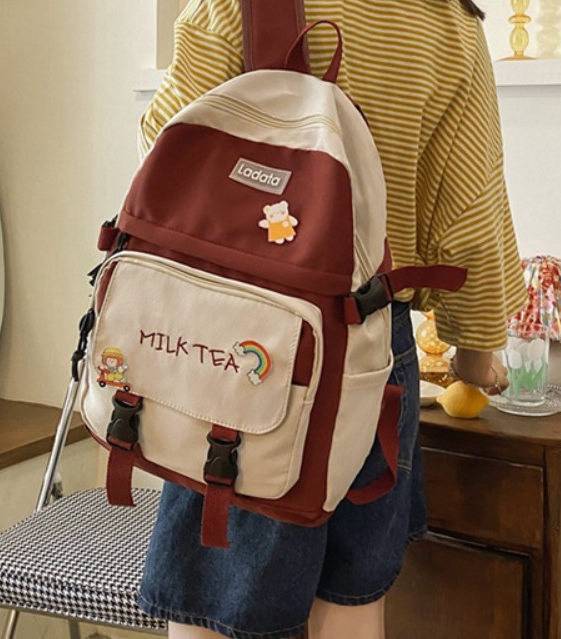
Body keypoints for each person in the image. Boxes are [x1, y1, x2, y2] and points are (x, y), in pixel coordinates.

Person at [135, 1, 527, 638]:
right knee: (350, 599)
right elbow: (471, 210)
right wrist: (477, 349)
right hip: (376, 348)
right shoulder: (448, 21)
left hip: (247, 345)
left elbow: (163, 149)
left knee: (215, 599)